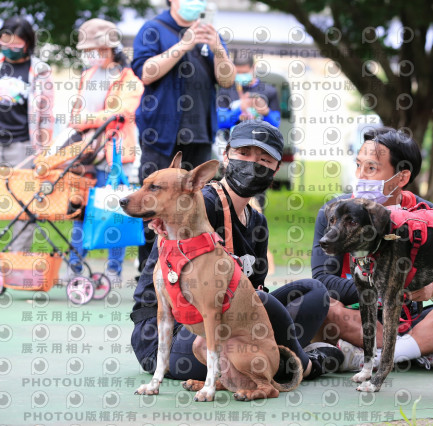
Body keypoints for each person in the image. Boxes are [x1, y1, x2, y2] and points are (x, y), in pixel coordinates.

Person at [130, 121, 344, 382]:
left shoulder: (258, 222)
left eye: (264, 159)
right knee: (261, 303)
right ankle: (303, 362)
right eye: (244, 154)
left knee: (314, 291)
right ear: (226, 155)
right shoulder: (200, 204)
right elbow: (163, 282)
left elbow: (251, 297)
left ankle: (278, 357)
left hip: (225, 327)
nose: (253, 164)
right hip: (172, 334)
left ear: (276, 169)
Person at [311, 127, 433, 372]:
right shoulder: (336, 211)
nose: (361, 176)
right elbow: (323, 279)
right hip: (362, 316)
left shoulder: (427, 215)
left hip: (413, 319)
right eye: (358, 165)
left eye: (372, 168)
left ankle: (379, 355)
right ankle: (423, 351)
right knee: (323, 305)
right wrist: (383, 292)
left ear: (401, 177)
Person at [132, 0, 236, 272]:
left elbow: (226, 80)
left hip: (200, 134)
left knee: (199, 206)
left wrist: (218, 50)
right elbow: (144, 73)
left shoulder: (209, 31)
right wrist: (184, 44)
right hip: (161, 135)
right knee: (151, 205)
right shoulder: (153, 28)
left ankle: (194, 272)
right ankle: (150, 280)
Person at [66, 19, 144, 282]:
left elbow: (121, 113)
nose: (90, 53)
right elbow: (74, 113)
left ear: (110, 47)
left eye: (95, 48)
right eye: (87, 49)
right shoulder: (87, 75)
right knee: (80, 211)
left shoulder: (129, 78)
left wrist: (86, 118)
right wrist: (85, 119)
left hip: (115, 157)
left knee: (115, 212)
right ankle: (74, 265)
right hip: (85, 155)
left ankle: (113, 269)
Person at [0, 17, 53, 263]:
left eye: (16, 40)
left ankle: (15, 264)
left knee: (24, 207)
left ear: (28, 43)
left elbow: (46, 116)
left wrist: (42, 152)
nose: (9, 44)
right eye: (5, 38)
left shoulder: (40, 70)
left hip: (24, 147)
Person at [216, 54, 281, 131]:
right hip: (233, 141)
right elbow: (220, 122)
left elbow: (276, 124)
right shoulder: (226, 90)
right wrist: (240, 108)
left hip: (259, 141)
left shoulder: (269, 91)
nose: (240, 76)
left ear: (253, 67)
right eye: (238, 72)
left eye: (244, 73)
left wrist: (266, 112)